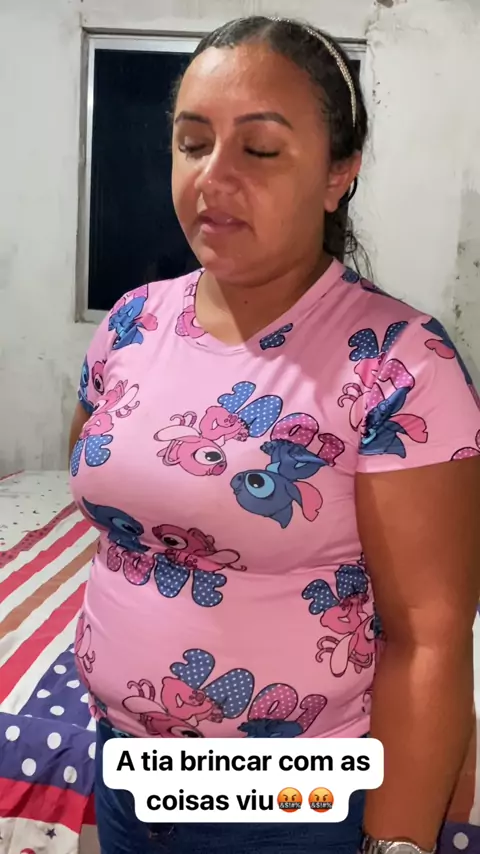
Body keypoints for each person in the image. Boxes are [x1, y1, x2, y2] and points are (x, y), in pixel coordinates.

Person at [69, 15, 480, 854]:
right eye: (192, 143)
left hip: (288, 802)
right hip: (126, 770)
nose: (213, 176)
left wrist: (397, 843)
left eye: (259, 150)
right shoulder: (132, 322)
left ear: (338, 175)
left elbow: (429, 640)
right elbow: (106, 495)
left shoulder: (400, 363)